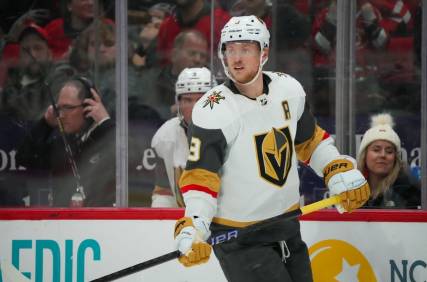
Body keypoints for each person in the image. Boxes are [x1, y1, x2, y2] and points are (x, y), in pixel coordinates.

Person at [172, 15, 370, 281]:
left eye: (245, 49)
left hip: (287, 227)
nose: (236, 58)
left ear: (263, 52)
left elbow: (309, 142)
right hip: (241, 240)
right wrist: (194, 225)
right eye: (230, 50)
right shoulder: (212, 110)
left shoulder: (287, 90)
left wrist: (335, 169)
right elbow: (200, 178)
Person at [15, 77, 116, 207]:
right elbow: (24, 157)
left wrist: (105, 122)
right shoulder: (63, 144)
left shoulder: (107, 138)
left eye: (68, 107)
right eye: (59, 108)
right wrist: (45, 124)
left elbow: (132, 158)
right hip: (62, 223)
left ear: (88, 107)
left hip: (100, 223)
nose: (61, 115)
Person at [151, 67, 217, 208]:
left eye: (202, 99)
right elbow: (164, 192)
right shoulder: (165, 137)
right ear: (178, 104)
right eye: (188, 100)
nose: (195, 107)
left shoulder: (235, 132)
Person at [139, 30, 209, 120]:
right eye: (192, 54)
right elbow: (141, 115)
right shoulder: (152, 80)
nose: (198, 60)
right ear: (174, 55)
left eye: (202, 56)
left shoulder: (212, 84)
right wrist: (170, 111)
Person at [357, 113, 420, 209]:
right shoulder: (351, 188)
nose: (383, 155)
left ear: (395, 158)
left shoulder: (407, 191)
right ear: (364, 155)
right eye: (376, 150)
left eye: (389, 151)